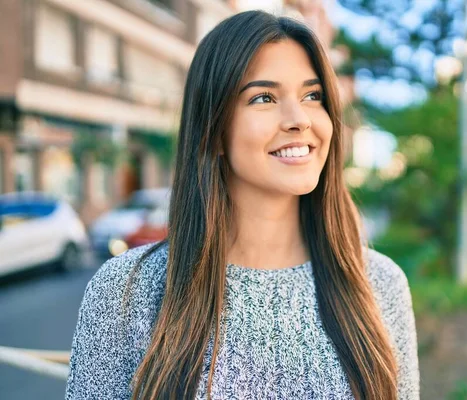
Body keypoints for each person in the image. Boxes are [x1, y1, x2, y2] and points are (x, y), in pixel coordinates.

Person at [65, 10, 419, 400]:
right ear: (213, 131)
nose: (299, 119)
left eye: (312, 95)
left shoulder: (380, 285)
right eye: (264, 97)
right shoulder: (125, 292)